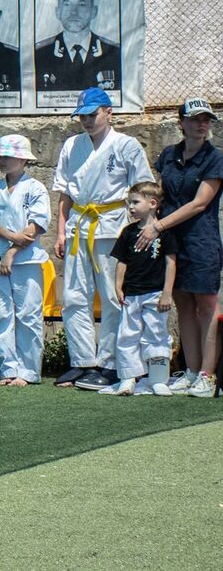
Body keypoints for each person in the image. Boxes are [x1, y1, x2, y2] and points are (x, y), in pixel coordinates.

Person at [52, 87, 152, 391]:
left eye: (92, 115)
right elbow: (64, 193)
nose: (87, 121)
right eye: (82, 116)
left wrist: (142, 229)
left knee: (112, 297)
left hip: (112, 226)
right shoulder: (72, 145)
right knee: (73, 297)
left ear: (109, 112)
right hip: (78, 225)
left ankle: (111, 363)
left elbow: (143, 190)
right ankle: (82, 361)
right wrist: (60, 231)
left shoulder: (127, 145)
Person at [144, 98, 222, 398]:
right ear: (181, 123)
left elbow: (200, 203)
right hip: (172, 241)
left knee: (206, 307)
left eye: (206, 119)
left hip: (202, 241)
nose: (202, 124)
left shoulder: (215, 158)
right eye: (195, 119)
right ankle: (190, 371)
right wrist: (149, 218)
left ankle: (207, 376)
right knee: (184, 306)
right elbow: (162, 192)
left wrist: (158, 226)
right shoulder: (169, 155)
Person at [0, 135, 50, 386]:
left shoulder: (35, 188)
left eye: (7, 156)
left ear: (22, 159)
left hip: (26, 259)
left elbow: (36, 225)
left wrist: (13, 250)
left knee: (28, 314)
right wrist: (10, 237)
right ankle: (7, 369)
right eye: (0, 156)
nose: (2, 161)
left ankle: (28, 371)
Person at [100, 182, 176, 396]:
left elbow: (171, 263)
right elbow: (122, 262)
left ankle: (158, 379)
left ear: (152, 203)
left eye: (135, 202)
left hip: (155, 294)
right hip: (131, 294)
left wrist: (167, 293)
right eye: (129, 203)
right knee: (127, 335)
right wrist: (118, 286)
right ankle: (128, 378)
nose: (130, 207)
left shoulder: (165, 234)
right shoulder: (128, 232)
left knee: (157, 334)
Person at [35, 0, 121, 92]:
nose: (73, 11)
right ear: (58, 12)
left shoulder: (115, 53)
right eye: (67, 4)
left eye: (81, 5)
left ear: (94, 11)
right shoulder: (40, 54)